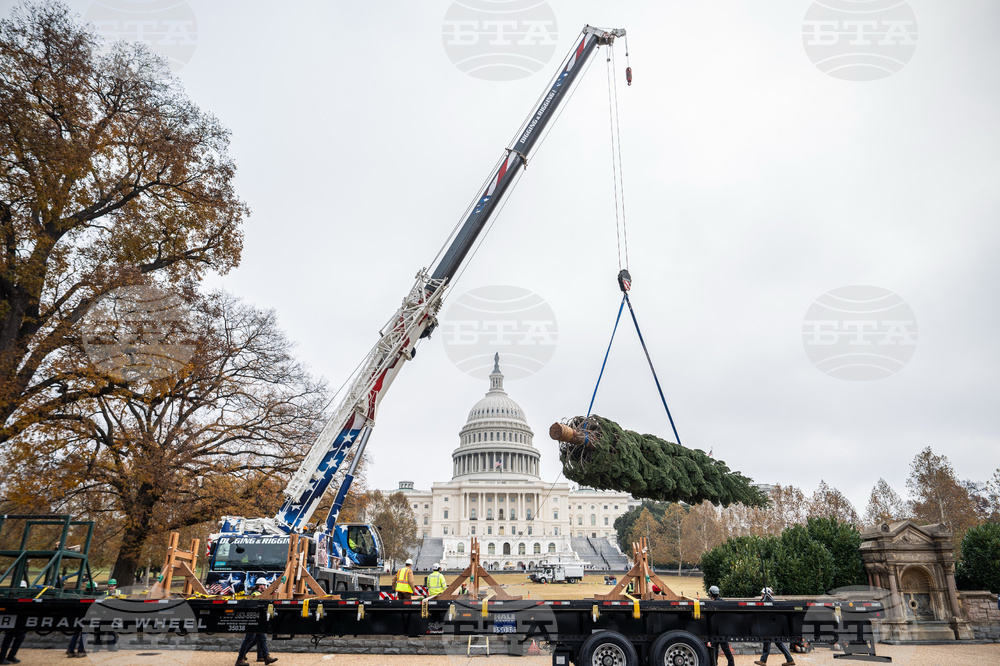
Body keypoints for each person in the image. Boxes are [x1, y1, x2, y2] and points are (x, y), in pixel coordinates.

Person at [235, 578, 278, 666]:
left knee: (262, 638)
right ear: (259, 585)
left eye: (265, 585)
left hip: (258, 620)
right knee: (249, 639)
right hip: (253, 619)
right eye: (263, 585)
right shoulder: (255, 594)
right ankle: (240, 659)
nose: (265, 587)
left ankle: (265, 656)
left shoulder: (260, 593)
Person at [754, 587, 795, 666]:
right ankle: (789, 659)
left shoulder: (769, 600)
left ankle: (763, 660)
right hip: (773, 625)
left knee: (769, 642)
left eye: (763, 594)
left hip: (772, 626)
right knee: (777, 642)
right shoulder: (768, 600)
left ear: (766, 594)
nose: (761, 595)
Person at [706, 586, 735, 666]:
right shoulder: (724, 603)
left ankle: (714, 663)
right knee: (725, 647)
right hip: (723, 629)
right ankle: (731, 663)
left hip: (715, 630)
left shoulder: (712, 604)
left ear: (711, 593)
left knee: (714, 648)